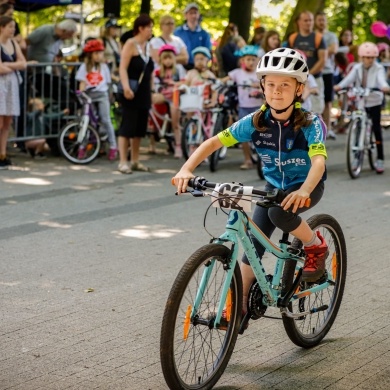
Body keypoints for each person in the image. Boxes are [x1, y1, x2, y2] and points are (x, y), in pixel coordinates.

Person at [172, 48, 329, 316]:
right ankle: (239, 304)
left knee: (280, 214)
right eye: (270, 85)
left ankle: (316, 245)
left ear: (299, 89)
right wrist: (186, 169)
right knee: (252, 243)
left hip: (306, 186)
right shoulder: (256, 121)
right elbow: (213, 142)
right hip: (272, 187)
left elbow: (318, 162)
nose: (277, 91)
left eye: (284, 85)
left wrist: (304, 189)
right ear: (262, 87)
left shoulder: (310, 123)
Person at [334, 42, 390, 174]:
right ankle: (355, 157)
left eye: (371, 57)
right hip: (361, 101)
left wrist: (384, 87)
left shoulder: (378, 68)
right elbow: (348, 79)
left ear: (375, 57)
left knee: (376, 129)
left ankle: (380, 158)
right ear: (361, 57)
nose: (368, 60)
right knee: (358, 126)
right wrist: (339, 86)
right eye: (365, 57)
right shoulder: (357, 68)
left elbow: (381, 80)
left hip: (374, 100)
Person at [117, 14, 154, 174]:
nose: (151, 31)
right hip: (131, 91)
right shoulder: (130, 44)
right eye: (149, 27)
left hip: (144, 92)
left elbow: (150, 71)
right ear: (141, 28)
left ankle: (135, 160)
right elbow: (122, 68)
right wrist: (126, 87)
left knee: (139, 128)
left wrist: (152, 90)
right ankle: (123, 161)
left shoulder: (148, 46)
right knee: (127, 127)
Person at [221, 45, 263, 170]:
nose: (251, 62)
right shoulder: (237, 73)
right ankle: (247, 159)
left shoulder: (260, 74)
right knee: (243, 135)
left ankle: (264, 160)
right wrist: (217, 81)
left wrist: (259, 88)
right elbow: (225, 79)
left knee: (261, 134)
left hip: (259, 108)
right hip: (244, 108)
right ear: (242, 61)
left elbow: (266, 86)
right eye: (248, 59)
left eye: (253, 59)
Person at [75, 39, 118, 160]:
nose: (99, 56)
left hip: (102, 94)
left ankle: (113, 145)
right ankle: (82, 146)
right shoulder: (84, 67)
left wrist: (110, 95)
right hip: (89, 95)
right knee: (86, 121)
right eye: (96, 53)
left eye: (101, 53)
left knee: (105, 119)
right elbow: (82, 83)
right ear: (90, 55)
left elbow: (107, 82)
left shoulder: (103, 67)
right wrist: (81, 92)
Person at [287, 11, 327, 120]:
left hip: (315, 78)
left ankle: (319, 134)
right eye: (305, 20)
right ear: (299, 22)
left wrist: (307, 75)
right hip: (296, 78)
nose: (308, 23)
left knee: (316, 109)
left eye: (310, 20)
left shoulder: (318, 38)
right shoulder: (293, 38)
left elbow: (322, 59)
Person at [0, 15, 26, 169]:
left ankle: (2, 154)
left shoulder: (13, 43)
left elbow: (23, 63)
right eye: (10, 26)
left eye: (13, 27)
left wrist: (9, 66)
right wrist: (14, 66)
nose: (13, 29)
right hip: (1, 85)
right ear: (2, 27)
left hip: (12, 84)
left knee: (7, 121)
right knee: (0, 120)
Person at [152, 44, 186, 158]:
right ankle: (154, 132)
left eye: (169, 58)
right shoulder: (157, 71)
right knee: (151, 101)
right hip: (164, 95)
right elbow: (155, 84)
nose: (167, 61)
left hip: (175, 96)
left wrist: (174, 84)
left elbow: (185, 82)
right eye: (165, 58)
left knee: (175, 123)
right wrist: (160, 90)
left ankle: (178, 145)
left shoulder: (179, 69)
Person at [315, 11, 338, 140]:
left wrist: (319, 53)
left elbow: (333, 49)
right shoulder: (312, 36)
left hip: (327, 71)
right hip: (314, 72)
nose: (321, 22)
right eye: (319, 20)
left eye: (323, 20)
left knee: (328, 102)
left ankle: (328, 129)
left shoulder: (331, 35)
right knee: (314, 101)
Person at [174, 3, 212, 70]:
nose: (193, 15)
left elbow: (207, 52)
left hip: (199, 67)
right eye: (191, 13)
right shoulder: (178, 32)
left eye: (195, 13)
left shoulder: (204, 34)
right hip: (181, 66)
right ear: (185, 15)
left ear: (199, 15)